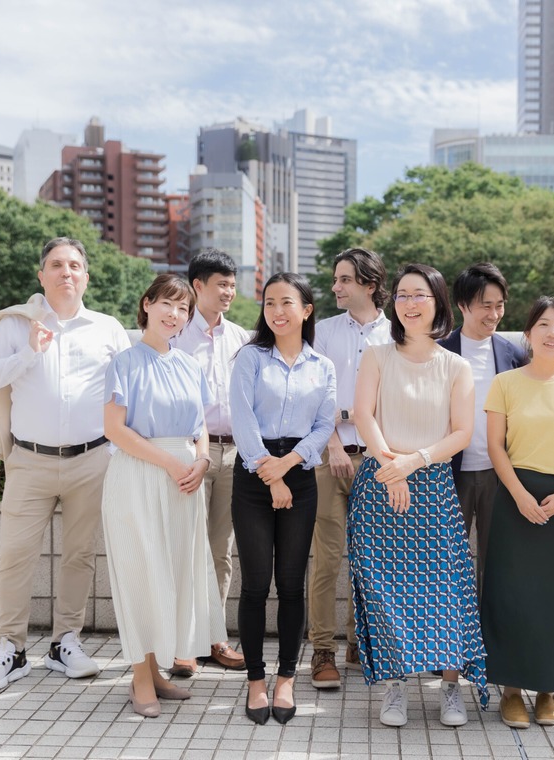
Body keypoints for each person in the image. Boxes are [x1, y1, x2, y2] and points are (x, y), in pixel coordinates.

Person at [0, 237, 130, 691]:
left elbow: (126, 395)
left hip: (93, 458)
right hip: (30, 460)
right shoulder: (19, 325)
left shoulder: (107, 328)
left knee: (80, 556)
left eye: (75, 265)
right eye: (56, 265)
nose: (66, 273)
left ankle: (65, 642)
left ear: (86, 276)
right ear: (41, 276)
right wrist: (28, 353)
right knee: (14, 557)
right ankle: (11, 649)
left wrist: (116, 453)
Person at [348, 263, 487, 729]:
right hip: (379, 483)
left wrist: (414, 462)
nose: (409, 303)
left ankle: (450, 687)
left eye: (420, 295)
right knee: (385, 592)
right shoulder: (377, 354)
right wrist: (392, 466)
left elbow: (462, 433)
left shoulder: (456, 365)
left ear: (438, 304)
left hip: (432, 486)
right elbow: (363, 415)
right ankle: (395, 688)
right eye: (403, 295)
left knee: (446, 590)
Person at [100, 275, 227, 717]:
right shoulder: (125, 361)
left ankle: (156, 672)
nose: (176, 315)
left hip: (184, 480)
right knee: (141, 575)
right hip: (139, 476)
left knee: (170, 576)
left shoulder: (189, 364)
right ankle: (140, 678)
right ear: (147, 304)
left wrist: (203, 460)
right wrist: (174, 463)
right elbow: (115, 429)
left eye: (184, 309)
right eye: (168, 305)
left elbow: (200, 426)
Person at [480, 297, 554, 729]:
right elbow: (496, 445)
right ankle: (511, 690)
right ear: (528, 334)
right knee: (511, 595)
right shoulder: (506, 382)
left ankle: (549, 689)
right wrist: (518, 494)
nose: (553, 333)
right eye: (544, 324)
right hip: (514, 500)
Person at [229, 272, 336, 724]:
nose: (277, 310)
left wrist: (288, 465)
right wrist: (269, 474)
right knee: (255, 586)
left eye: (287, 302)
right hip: (254, 475)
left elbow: (323, 426)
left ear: (306, 310)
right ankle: (256, 680)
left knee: (292, 585)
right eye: (270, 302)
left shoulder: (322, 366)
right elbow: (242, 417)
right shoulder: (250, 358)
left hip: (301, 474)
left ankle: (287, 677)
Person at [308, 248, 392, 690]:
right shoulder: (321, 331)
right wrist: (335, 443)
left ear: (370, 285)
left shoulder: (397, 333)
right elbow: (315, 394)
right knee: (326, 559)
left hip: (380, 460)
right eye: (336, 279)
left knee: (372, 559)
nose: (335, 287)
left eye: (344, 280)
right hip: (330, 457)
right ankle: (322, 649)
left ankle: (363, 641)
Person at [168, 249, 249, 676]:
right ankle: (184, 643)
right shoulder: (174, 335)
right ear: (198, 286)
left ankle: (215, 637)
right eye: (222, 284)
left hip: (235, 452)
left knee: (221, 551)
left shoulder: (242, 338)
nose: (229, 292)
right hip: (189, 453)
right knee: (185, 546)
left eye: (233, 285)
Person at [437, 263, 528, 592]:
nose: (494, 314)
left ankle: (491, 637)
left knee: (497, 561)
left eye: (499, 305)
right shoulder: (440, 351)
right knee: (447, 560)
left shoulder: (513, 353)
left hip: (498, 473)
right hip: (451, 472)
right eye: (485, 306)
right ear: (463, 305)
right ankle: (452, 636)